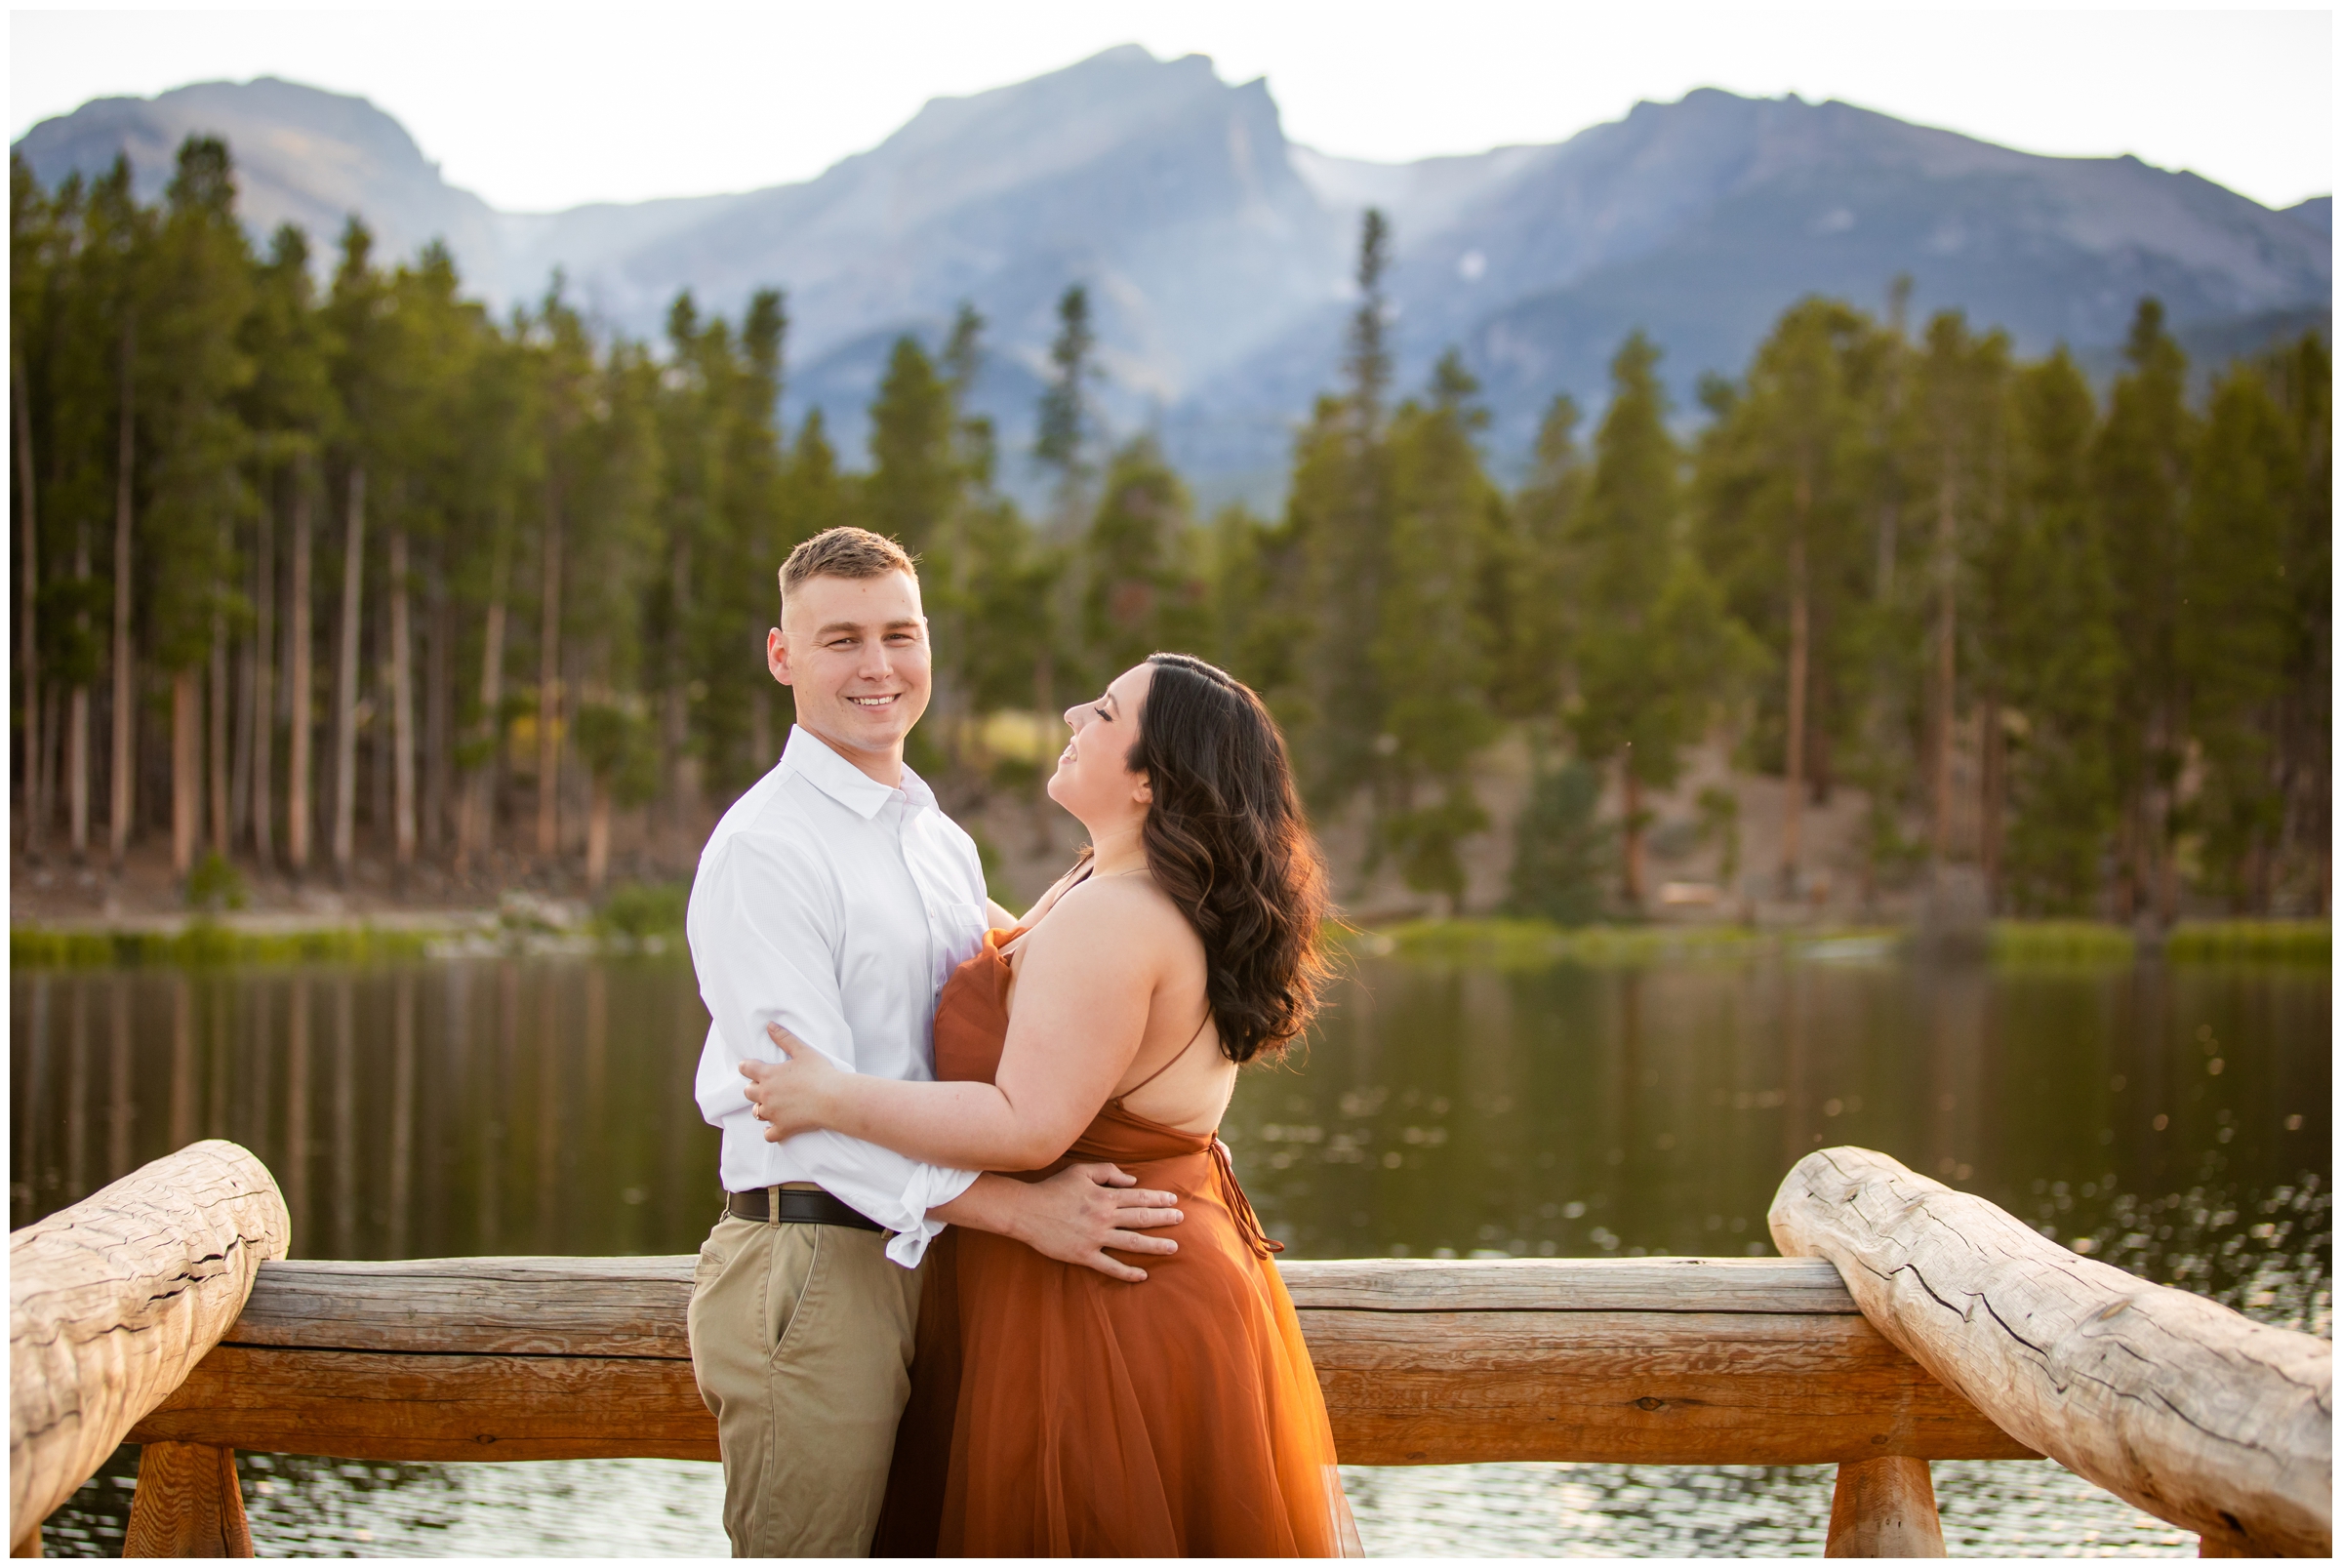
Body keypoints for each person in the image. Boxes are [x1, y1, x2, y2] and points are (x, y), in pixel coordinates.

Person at [741, 650, 1362, 1556]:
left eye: (1104, 713)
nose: (1074, 713)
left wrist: (835, 1097)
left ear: (1150, 780)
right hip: (1114, 1269)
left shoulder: (1118, 916)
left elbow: (1027, 1125)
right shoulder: (1103, 886)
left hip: (1106, 1303)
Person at [685, 527, 1190, 1558]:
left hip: (945, 1267)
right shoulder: (764, 849)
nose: (878, 666)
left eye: (899, 634)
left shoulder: (933, 836)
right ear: (783, 656)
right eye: (840, 640)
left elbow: (1024, 988)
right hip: (817, 1262)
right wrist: (1024, 1212)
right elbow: (805, 1116)